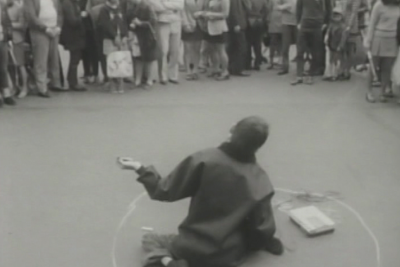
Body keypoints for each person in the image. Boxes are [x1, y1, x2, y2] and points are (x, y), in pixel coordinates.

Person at [118, 116, 284, 267]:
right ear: (258, 146)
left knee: (150, 239)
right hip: (229, 254)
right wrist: (264, 242)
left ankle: (168, 262)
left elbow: (163, 191)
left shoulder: (205, 159)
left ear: (231, 132)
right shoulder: (261, 180)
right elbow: (261, 227)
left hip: (191, 247)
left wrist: (140, 168)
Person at [24, 0, 64, 98]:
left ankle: (55, 83)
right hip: (39, 31)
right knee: (40, 59)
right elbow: (31, 16)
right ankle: (42, 87)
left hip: (54, 29)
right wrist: (45, 29)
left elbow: (60, 13)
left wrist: (59, 26)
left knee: (54, 58)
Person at [364, 0, 400, 103]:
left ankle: (382, 92)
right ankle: (369, 92)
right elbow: (372, 24)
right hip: (378, 38)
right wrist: (368, 41)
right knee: (373, 67)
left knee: (387, 68)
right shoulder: (379, 5)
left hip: (393, 39)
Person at [291, 0, 331, 85]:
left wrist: (326, 23)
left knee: (315, 52)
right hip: (304, 23)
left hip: (317, 25)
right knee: (300, 51)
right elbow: (299, 7)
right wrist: (298, 22)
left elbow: (329, 8)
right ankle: (299, 76)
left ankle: (310, 75)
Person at [149, 0, 184, 85]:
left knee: (175, 49)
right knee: (163, 50)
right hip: (162, 21)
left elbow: (180, 5)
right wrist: (172, 7)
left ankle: (173, 75)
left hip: (176, 21)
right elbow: (157, 6)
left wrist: (165, 4)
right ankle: (163, 76)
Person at [97, 0, 129, 93]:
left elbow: (125, 22)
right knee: (111, 60)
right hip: (109, 38)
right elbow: (105, 24)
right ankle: (112, 83)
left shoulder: (120, 8)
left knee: (121, 60)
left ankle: (120, 83)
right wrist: (114, 36)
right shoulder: (104, 9)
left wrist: (125, 35)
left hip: (121, 37)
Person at [127, 0, 158, 88]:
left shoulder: (148, 6)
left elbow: (154, 21)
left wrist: (140, 23)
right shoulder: (131, 6)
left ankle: (149, 79)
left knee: (149, 58)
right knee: (138, 58)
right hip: (137, 35)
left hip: (147, 36)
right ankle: (138, 79)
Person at [197, 0, 230, 80]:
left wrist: (209, 14)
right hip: (208, 27)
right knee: (212, 50)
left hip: (219, 27)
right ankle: (216, 69)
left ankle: (225, 71)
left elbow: (225, 14)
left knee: (221, 50)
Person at [60, 0, 88, 91]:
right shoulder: (68, 3)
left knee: (75, 58)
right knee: (74, 59)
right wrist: (82, 16)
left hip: (76, 35)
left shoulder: (73, 3)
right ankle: (73, 82)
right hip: (73, 35)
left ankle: (71, 79)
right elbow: (72, 21)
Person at [7, 0, 27, 99]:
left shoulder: (19, 7)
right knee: (9, 65)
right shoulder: (3, 6)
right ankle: (15, 87)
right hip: (5, 40)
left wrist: (9, 24)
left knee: (20, 64)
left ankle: (25, 87)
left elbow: (22, 24)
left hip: (17, 39)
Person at [227, 0, 252, 77]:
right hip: (238, 24)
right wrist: (236, 23)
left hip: (235, 24)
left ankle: (232, 68)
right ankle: (239, 69)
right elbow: (234, 10)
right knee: (241, 46)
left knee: (233, 46)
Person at [323, 5, 347, 81]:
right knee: (330, 59)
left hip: (338, 46)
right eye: (335, 14)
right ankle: (329, 74)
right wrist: (326, 39)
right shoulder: (331, 25)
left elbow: (343, 38)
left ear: (341, 16)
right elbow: (328, 33)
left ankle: (336, 74)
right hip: (331, 45)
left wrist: (340, 46)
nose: (336, 16)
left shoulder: (343, 27)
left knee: (337, 60)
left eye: (338, 15)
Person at [181, 0, 203, 80]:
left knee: (197, 49)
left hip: (200, 25)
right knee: (187, 49)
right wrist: (185, 24)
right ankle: (188, 71)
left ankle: (195, 70)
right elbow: (182, 11)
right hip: (188, 24)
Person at [0, 0, 16, 107]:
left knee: (3, 68)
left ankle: (6, 94)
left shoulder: (2, 5)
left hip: (2, 39)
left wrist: (9, 38)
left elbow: (7, 22)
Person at [245, 0, 268, 71]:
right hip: (259, 21)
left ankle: (248, 63)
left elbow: (246, 10)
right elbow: (266, 10)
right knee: (258, 43)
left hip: (249, 21)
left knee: (248, 43)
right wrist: (262, 18)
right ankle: (257, 63)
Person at [277, 0, 297, 75]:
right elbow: (277, 6)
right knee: (285, 47)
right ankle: (285, 67)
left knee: (300, 47)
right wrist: (285, 6)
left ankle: (300, 70)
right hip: (286, 23)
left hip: (297, 23)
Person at [267, 0, 283, 70]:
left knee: (274, 43)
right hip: (279, 22)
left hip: (278, 22)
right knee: (277, 43)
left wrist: (267, 21)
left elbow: (268, 9)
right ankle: (276, 61)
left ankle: (274, 61)